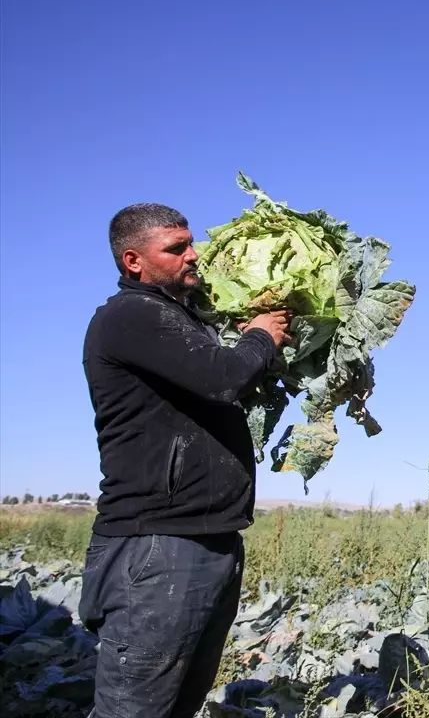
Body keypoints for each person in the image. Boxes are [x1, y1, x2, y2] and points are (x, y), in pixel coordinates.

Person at [80, 203, 291, 718]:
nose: (193, 256)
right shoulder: (131, 315)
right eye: (176, 249)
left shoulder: (180, 320)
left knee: (177, 705)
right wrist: (261, 334)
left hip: (206, 539)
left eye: (190, 243)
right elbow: (224, 376)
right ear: (134, 260)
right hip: (157, 547)